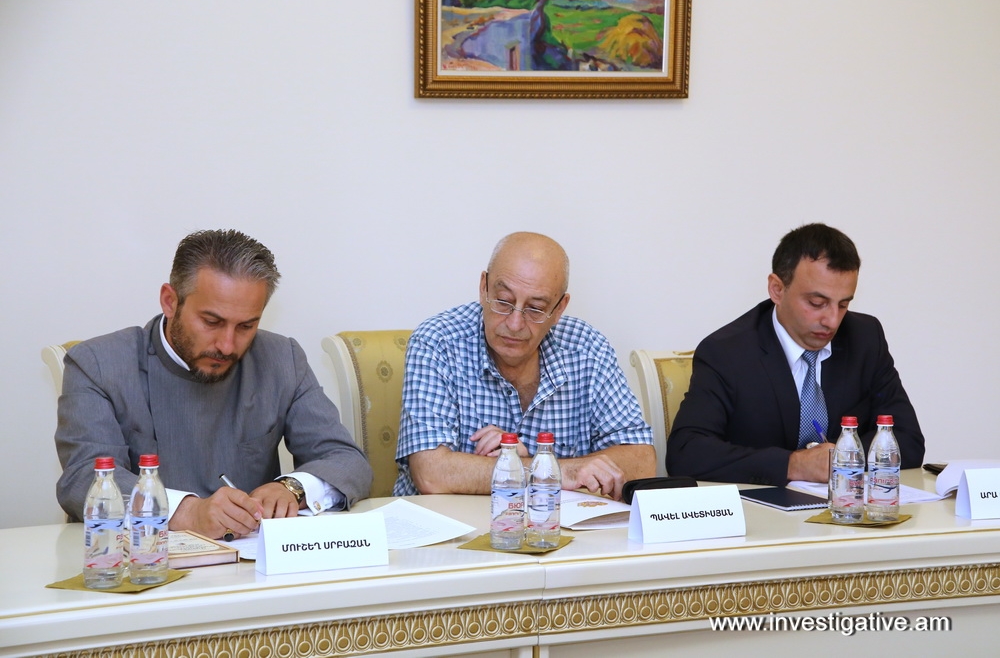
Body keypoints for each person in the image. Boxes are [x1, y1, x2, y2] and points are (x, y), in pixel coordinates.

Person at [55, 229, 372, 539]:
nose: (227, 346)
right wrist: (187, 512)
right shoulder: (98, 364)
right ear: (170, 301)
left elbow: (347, 461)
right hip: (144, 560)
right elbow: (83, 479)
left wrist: (292, 488)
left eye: (246, 326)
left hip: (251, 560)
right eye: (211, 322)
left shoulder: (282, 358)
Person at [394, 232, 655, 501]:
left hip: (555, 523)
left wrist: (526, 462)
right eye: (503, 301)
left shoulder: (587, 348)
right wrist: (557, 472)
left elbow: (642, 461)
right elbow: (431, 473)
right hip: (451, 523)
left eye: (535, 309)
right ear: (483, 288)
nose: (515, 323)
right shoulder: (438, 342)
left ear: (559, 309)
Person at [667, 223, 924, 485]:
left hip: (846, 505)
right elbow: (686, 452)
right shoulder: (727, 352)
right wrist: (792, 465)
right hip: (761, 507)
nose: (832, 321)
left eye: (843, 304)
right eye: (817, 303)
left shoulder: (865, 338)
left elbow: (907, 439)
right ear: (777, 289)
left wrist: (843, 458)